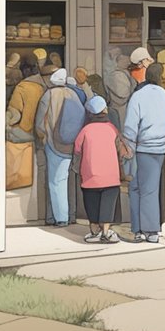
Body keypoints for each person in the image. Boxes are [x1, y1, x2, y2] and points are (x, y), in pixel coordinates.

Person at [122, 49, 165, 244]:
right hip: (159, 147)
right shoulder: (163, 94)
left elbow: (130, 126)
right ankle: (145, 228)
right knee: (149, 188)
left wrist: (128, 147)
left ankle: (145, 230)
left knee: (137, 188)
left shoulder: (138, 96)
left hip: (142, 148)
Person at [34, 67, 82, 227]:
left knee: (56, 181)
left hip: (53, 143)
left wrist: (41, 137)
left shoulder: (49, 95)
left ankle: (60, 217)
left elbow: (40, 122)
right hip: (71, 143)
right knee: (66, 180)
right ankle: (67, 214)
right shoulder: (73, 94)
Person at [75, 95, 121, 243]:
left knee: (91, 201)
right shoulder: (112, 129)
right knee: (108, 202)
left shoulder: (85, 130)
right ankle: (106, 232)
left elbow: (77, 149)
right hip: (111, 175)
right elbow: (120, 147)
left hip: (90, 176)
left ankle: (94, 231)